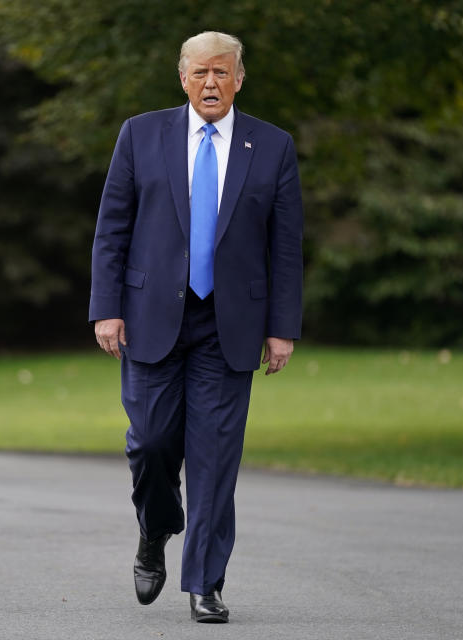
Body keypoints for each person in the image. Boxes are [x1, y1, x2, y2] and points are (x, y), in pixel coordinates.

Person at [88, 31, 304, 623]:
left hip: (230, 325)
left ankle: (205, 583)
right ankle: (156, 528)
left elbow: (286, 247)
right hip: (150, 316)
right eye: (200, 73)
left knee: (214, 459)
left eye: (222, 72)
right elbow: (112, 228)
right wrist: (107, 307)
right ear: (181, 78)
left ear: (239, 79)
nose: (211, 83)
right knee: (153, 442)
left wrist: (282, 327)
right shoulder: (140, 134)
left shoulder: (274, 146)